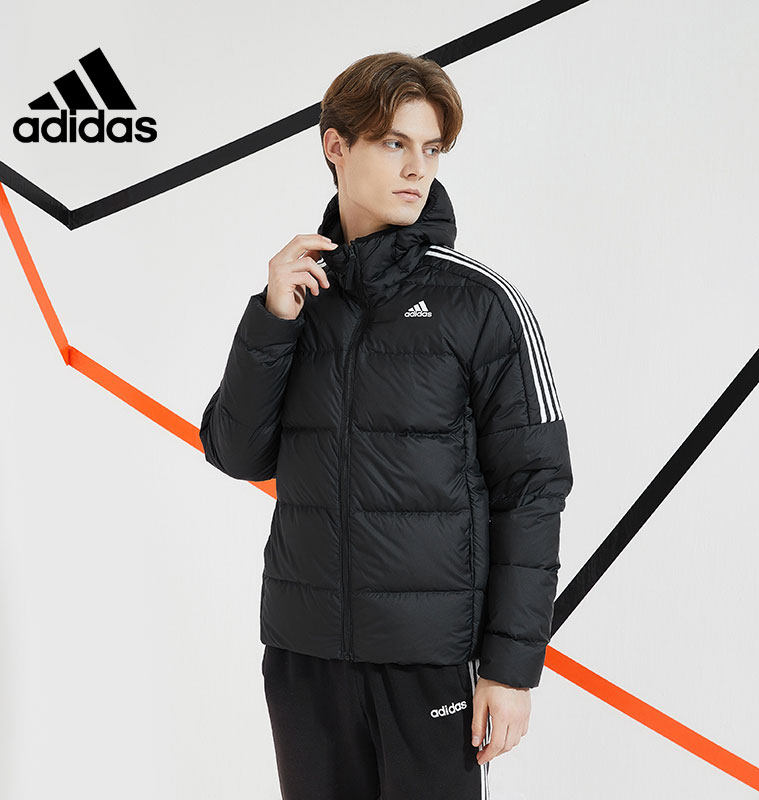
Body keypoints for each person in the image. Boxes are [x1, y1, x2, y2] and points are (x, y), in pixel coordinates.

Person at [199, 51, 573, 800]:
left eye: (431, 149)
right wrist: (271, 320)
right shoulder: (298, 298)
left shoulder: (480, 303)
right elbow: (235, 452)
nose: (416, 169)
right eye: (395, 143)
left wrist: (510, 669)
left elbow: (533, 487)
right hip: (306, 655)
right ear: (336, 146)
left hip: (429, 662)